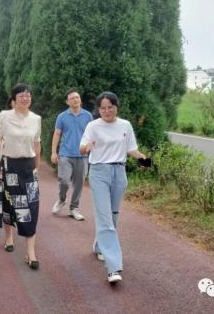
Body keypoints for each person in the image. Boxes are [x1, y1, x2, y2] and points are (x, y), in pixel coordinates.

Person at [79, 91, 146, 285]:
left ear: (116, 107)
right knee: (105, 218)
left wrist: (146, 161)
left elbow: (132, 149)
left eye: (110, 107)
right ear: (98, 109)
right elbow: (81, 148)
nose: (107, 111)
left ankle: (100, 246)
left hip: (119, 172)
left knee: (113, 214)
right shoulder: (93, 126)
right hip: (99, 172)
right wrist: (87, 147)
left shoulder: (125, 125)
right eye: (103, 108)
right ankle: (113, 267)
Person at [0, 84, 41, 269]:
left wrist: (36, 168)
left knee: (32, 207)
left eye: (28, 95)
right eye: (21, 95)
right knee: (10, 203)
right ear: (14, 98)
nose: (25, 98)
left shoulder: (36, 119)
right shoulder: (5, 116)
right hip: (10, 165)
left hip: (29, 167)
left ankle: (31, 252)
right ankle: (9, 237)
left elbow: (37, 145)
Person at [50, 89, 93, 221]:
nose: (75, 100)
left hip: (82, 155)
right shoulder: (62, 116)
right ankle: (62, 200)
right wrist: (53, 152)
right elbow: (57, 134)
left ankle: (74, 208)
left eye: (77, 97)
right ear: (67, 102)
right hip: (65, 154)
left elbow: (93, 134)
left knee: (79, 184)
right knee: (63, 180)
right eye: (72, 98)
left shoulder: (88, 115)